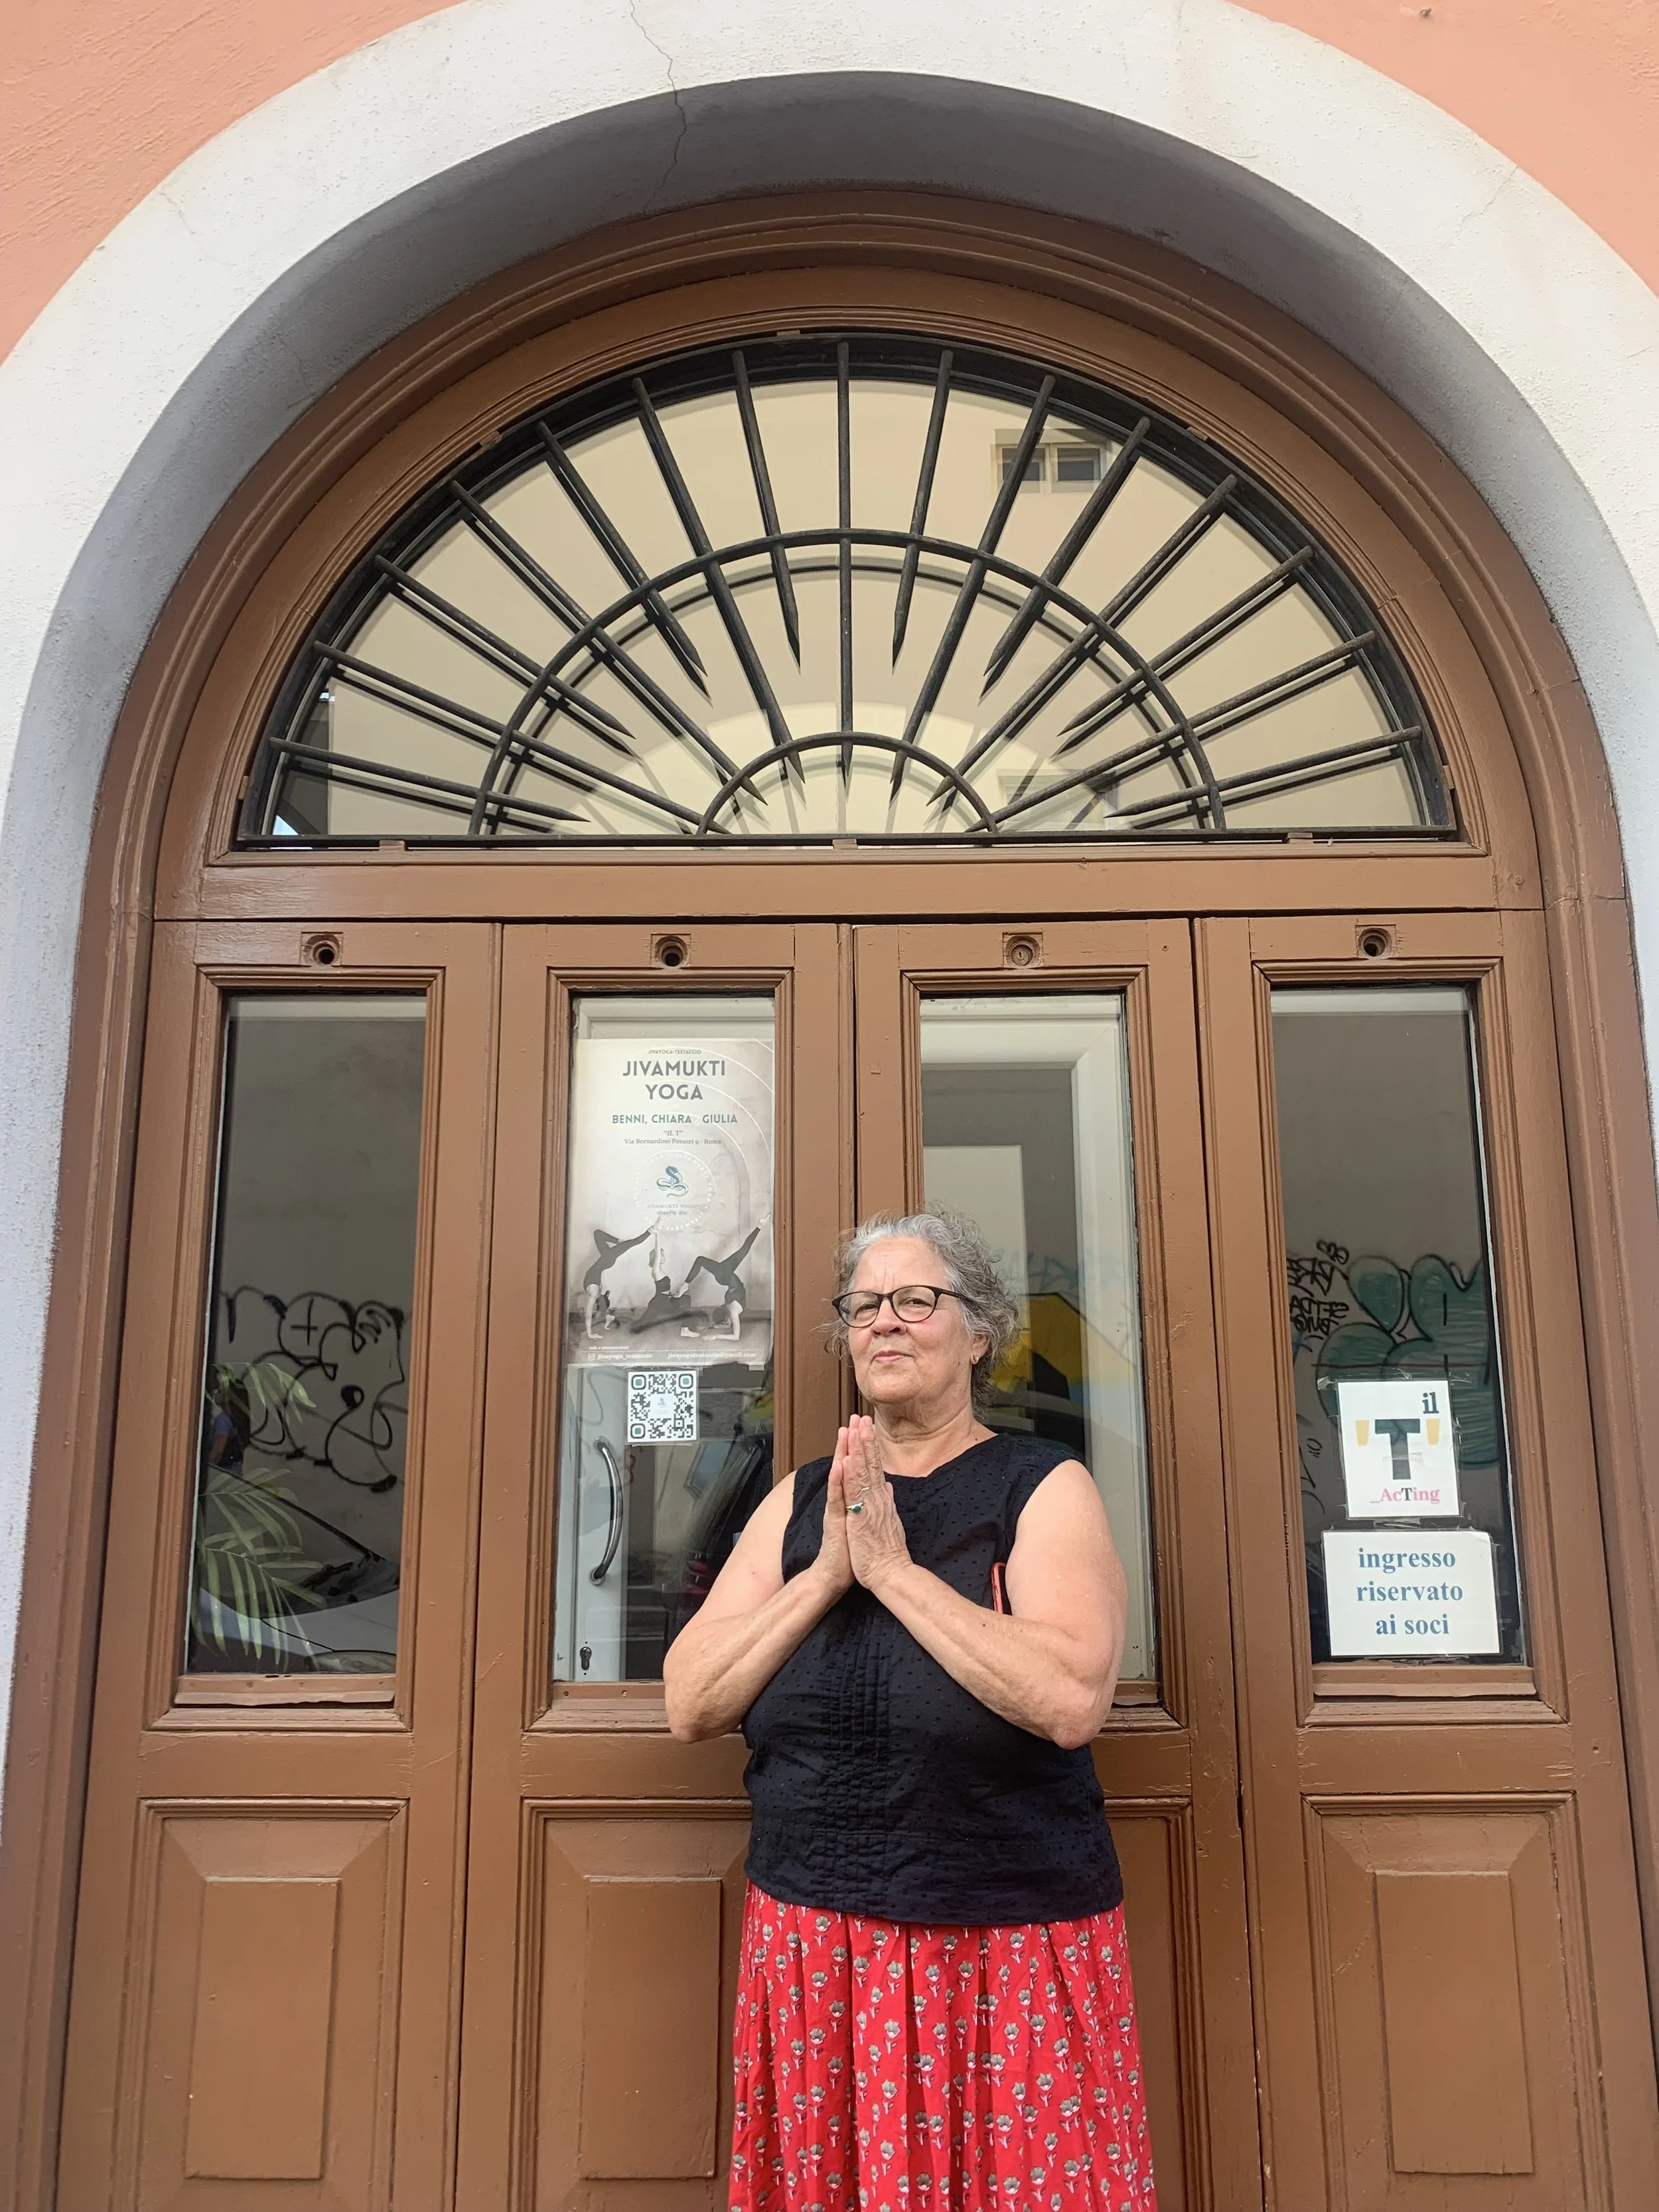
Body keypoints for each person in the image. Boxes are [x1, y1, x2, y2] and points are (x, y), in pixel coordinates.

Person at [664, 1211, 1155, 2210]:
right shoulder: (802, 1498)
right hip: (816, 1938)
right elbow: (692, 1699)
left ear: (979, 1333)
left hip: (1000, 1939)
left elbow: (1071, 1697)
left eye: (916, 1300)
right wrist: (824, 1576)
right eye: (863, 1306)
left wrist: (893, 1572)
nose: (884, 1321)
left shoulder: (1040, 1485)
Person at [679, 1222, 764, 1341]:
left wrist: (712, 1327)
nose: (721, 1305)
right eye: (721, 1307)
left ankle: (759, 1227)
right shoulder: (732, 1310)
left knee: (703, 1260)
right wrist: (715, 1336)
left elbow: (726, 1324)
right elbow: (736, 1337)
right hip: (728, 1279)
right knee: (742, 1251)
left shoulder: (730, 1309)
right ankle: (685, 1285)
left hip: (727, 1279)